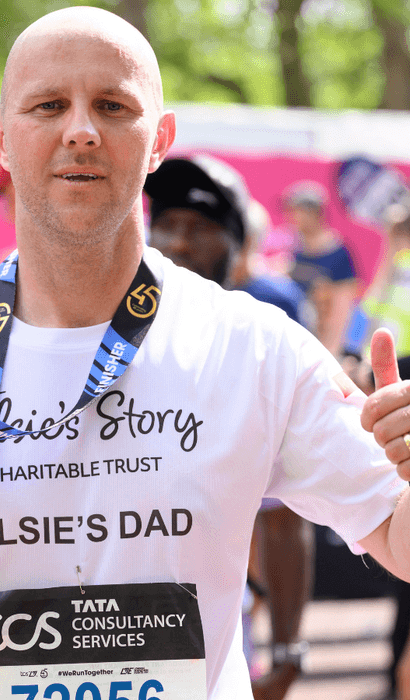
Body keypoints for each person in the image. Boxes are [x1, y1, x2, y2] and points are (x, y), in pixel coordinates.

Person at [0, 8, 410, 700]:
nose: (80, 130)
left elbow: (395, 538)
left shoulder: (253, 346)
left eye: (112, 106)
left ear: (159, 139)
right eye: (47, 105)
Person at [144, 155, 313, 700]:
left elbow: (284, 518)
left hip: (208, 654)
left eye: (201, 228)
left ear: (238, 250)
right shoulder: (87, 341)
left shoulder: (255, 353)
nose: (179, 242)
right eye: (167, 223)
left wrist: (287, 653)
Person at [284, 180, 358, 357]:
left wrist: (330, 354)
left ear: (314, 213)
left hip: (324, 347)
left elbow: (343, 308)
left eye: (296, 211)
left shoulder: (338, 253)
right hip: (300, 344)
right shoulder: (297, 250)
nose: (291, 217)